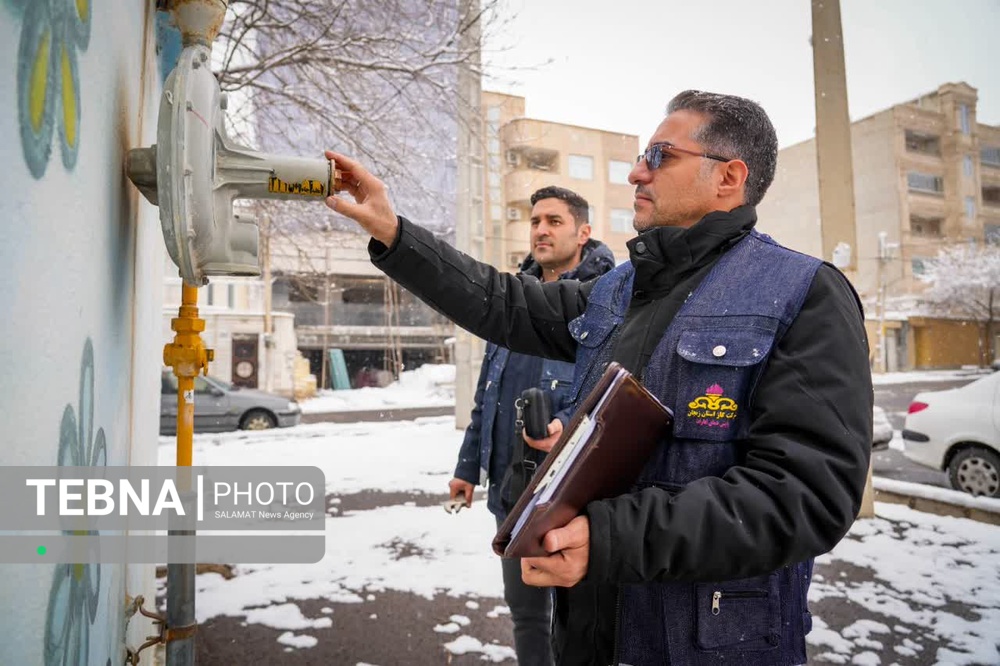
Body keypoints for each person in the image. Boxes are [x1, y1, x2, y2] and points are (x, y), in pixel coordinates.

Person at [323, 90, 873, 666]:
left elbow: (807, 496)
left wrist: (611, 537)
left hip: (707, 644)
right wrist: (394, 232)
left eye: (661, 156)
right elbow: (505, 303)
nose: (639, 171)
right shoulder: (620, 288)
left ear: (728, 177)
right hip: (588, 636)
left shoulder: (803, 293)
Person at [448, 186, 615, 666]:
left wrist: (566, 421)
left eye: (555, 221)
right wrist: (467, 468)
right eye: (536, 220)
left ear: (584, 233)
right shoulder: (512, 300)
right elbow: (488, 397)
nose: (541, 230)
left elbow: (611, 395)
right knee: (526, 616)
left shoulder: (607, 301)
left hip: (572, 500)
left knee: (586, 622)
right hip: (510, 495)